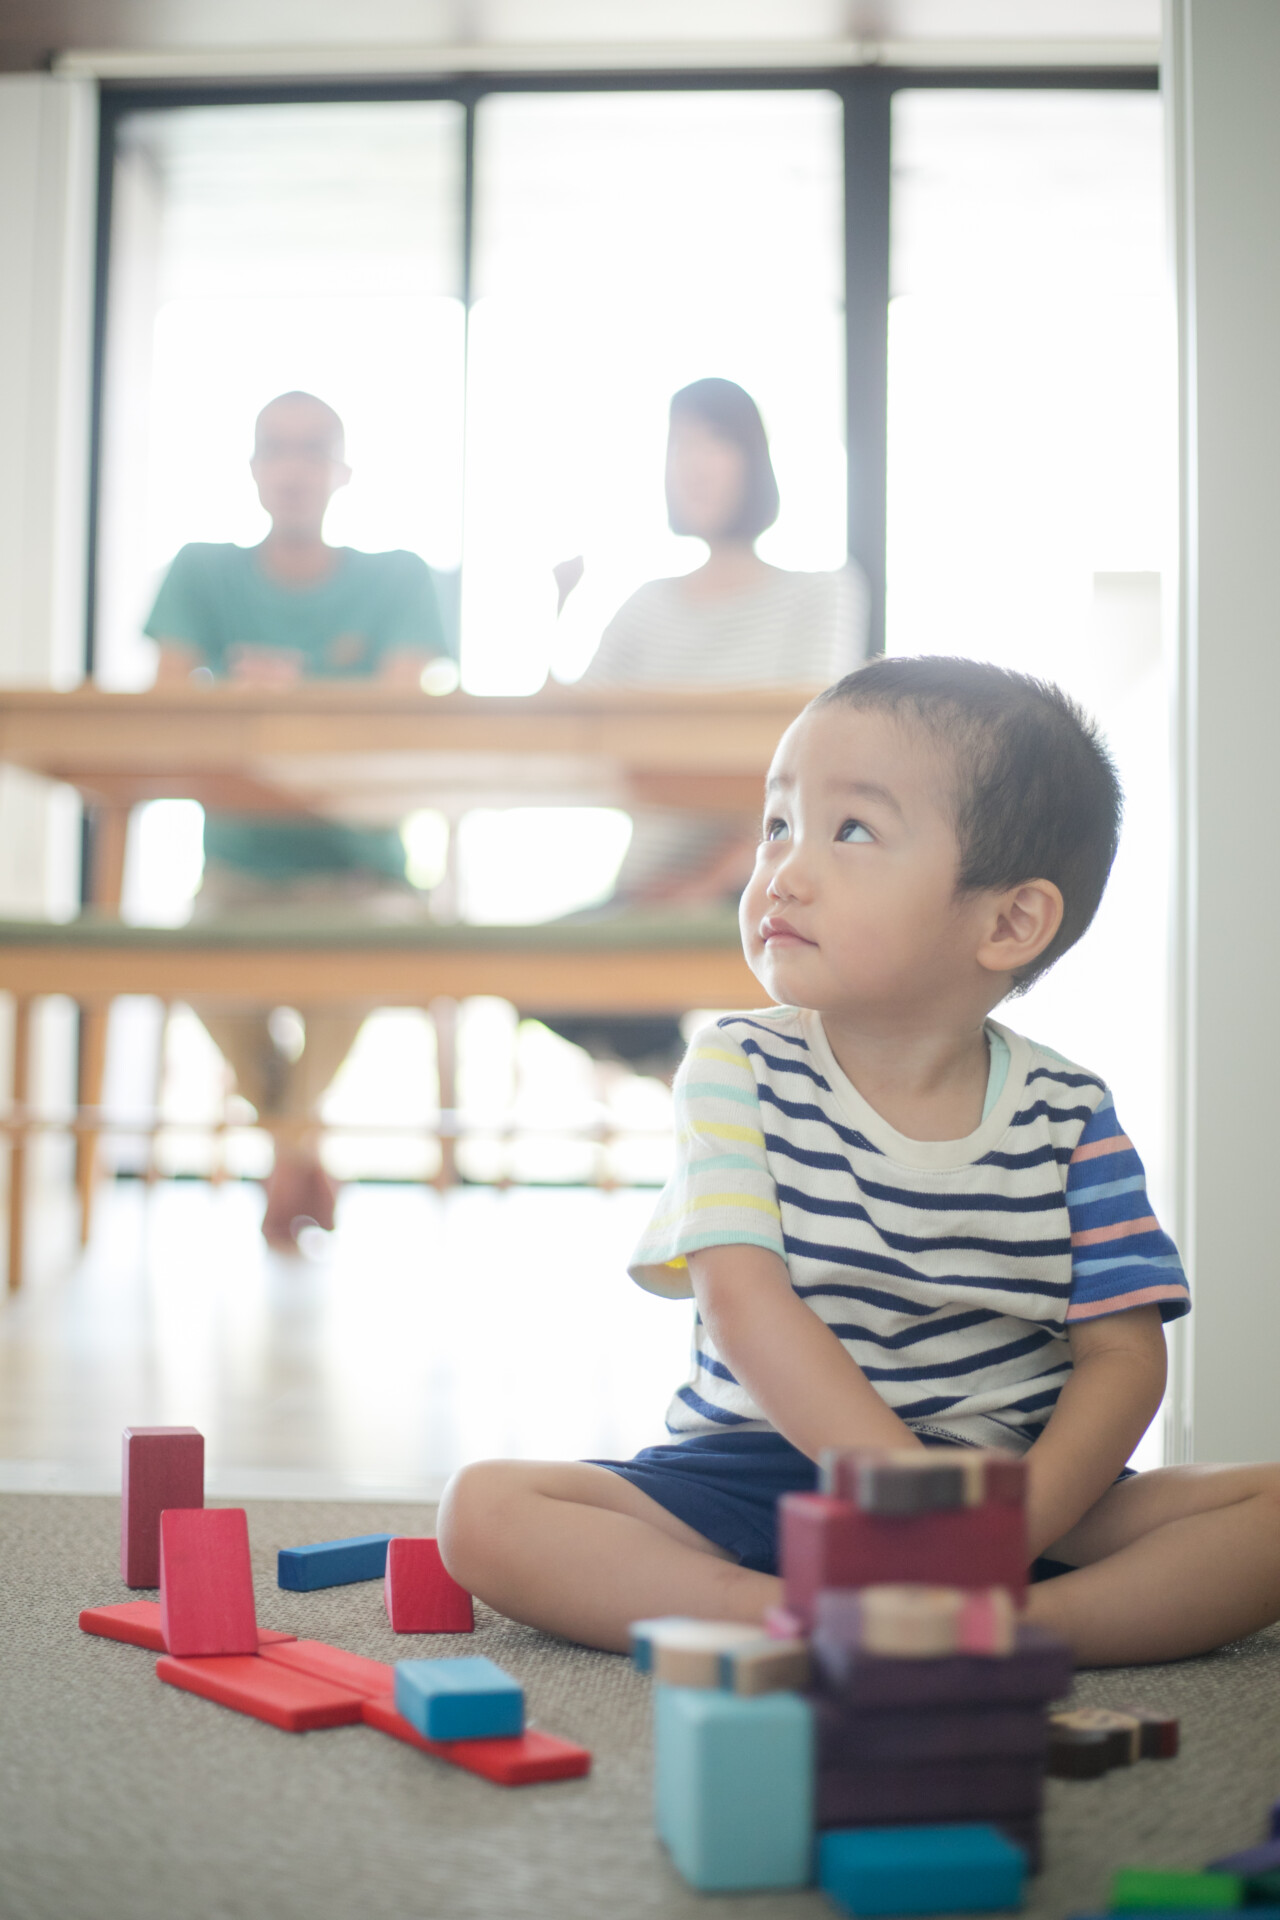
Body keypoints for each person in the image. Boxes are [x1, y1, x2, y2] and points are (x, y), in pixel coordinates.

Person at [438, 657, 1280, 1668]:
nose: (782, 871)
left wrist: (1013, 1529)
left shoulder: (1069, 1113)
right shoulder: (736, 1068)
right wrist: (896, 1496)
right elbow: (744, 1303)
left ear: (1008, 921)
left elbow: (1123, 1357)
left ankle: (1014, 1630)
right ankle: (797, 1620)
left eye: (850, 831)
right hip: (764, 1475)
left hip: (1004, 1488)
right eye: (777, 823)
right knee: (486, 1511)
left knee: (1267, 1512)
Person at [146, 390, 453, 1247]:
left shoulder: (398, 576)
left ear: (341, 471)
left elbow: (399, 718)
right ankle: (300, 1146)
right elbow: (163, 713)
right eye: (276, 449)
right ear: (253, 470)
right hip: (237, 876)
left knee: (358, 959)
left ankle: (286, 1149)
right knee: (188, 960)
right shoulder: (200, 571)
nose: (293, 467)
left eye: (312, 449)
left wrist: (276, 703)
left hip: (364, 878)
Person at [538, 376, 868, 1078]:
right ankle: (699, 1095)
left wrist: (713, 877)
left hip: (765, 874)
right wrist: (560, 609)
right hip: (648, 888)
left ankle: (711, 1098)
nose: (691, 462)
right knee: (529, 969)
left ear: (753, 461)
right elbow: (565, 732)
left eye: (713, 441)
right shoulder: (644, 605)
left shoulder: (821, 592)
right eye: (678, 445)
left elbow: (820, 758)